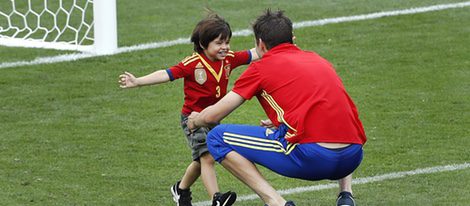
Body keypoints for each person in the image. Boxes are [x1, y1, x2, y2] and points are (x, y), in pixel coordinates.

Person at [187, 9, 367, 206]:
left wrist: (195, 119)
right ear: (293, 39)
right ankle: (346, 195)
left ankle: (276, 202)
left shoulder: (259, 68)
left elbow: (214, 116)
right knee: (337, 116)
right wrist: (281, 123)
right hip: (353, 155)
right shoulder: (318, 59)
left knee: (216, 137)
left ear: (260, 45)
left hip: (315, 158)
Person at [118, 13, 259, 206]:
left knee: (201, 159)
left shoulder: (229, 59)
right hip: (192, 118)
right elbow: (166, 74)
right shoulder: (192, 64)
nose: (225, 47)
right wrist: (138, 81)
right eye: (219, 43)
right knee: (208, 155)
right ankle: (216, 198)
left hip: (213, 118)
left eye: (227, 42)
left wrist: (280, 43)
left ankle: (181, 189)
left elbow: (256, 53)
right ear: (203, 44)